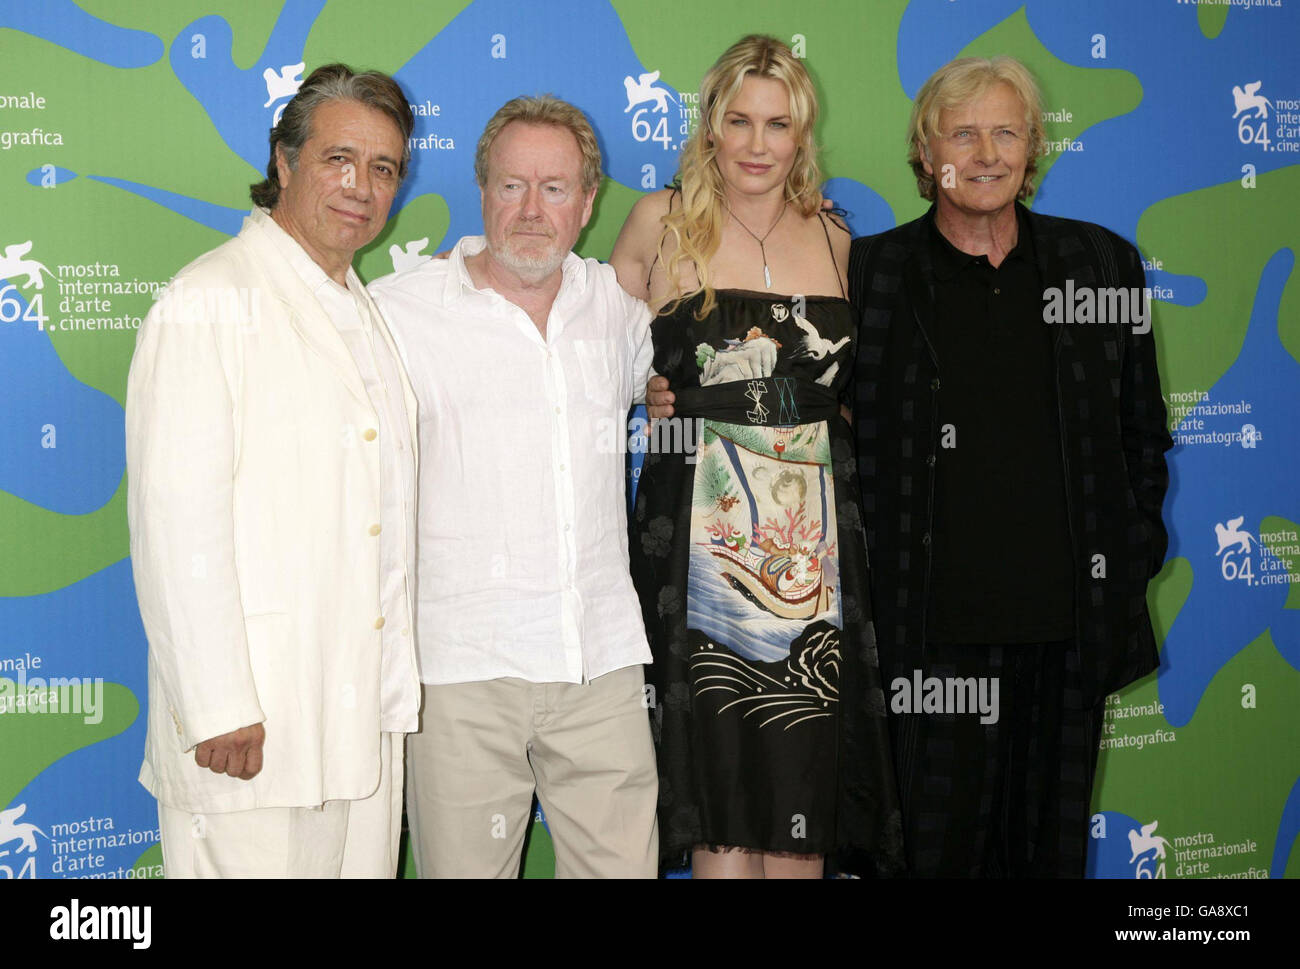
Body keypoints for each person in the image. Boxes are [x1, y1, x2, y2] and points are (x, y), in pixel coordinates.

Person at [652, 54, 1173, 876]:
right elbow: (811, 396)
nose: (987, 151)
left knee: (1051, 856)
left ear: (1035, 146)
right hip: (922, 644)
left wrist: (1132, 551)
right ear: (927, 155)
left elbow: (1145, 434)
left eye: (1007, 131)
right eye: (962, 132)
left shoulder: (1101, 266)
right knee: (925, 860)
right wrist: (671, 386)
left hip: (1067, 639)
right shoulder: (874, 269)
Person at [613, 34, 902, 879]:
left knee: (800, 777)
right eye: (738, 120)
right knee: (721, 787)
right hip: (699, 539)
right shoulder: (656, 221)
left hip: (814, 546)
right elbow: (586, 352)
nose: (755, 144)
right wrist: (644, 393)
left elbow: (853, 391)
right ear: (710, 125)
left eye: (777, 124)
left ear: (801, 134)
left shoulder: (838, 236)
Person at [126, 64, 421, 878]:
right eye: (338, 159)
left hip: (361, 719)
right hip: (252, 730)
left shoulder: (362, 309)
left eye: (384, 167)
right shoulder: (208, 301)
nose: (361, 187)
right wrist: (218, 703)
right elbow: (175, 518)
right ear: (284, 163)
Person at [369, 95, 659, 879]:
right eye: (511, 186)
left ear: (589, 203)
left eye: (555, 188)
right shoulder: (397, 315)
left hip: (599, 658)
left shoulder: (619, 310)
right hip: (461, 671)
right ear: (482, 189)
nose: (532, 210)